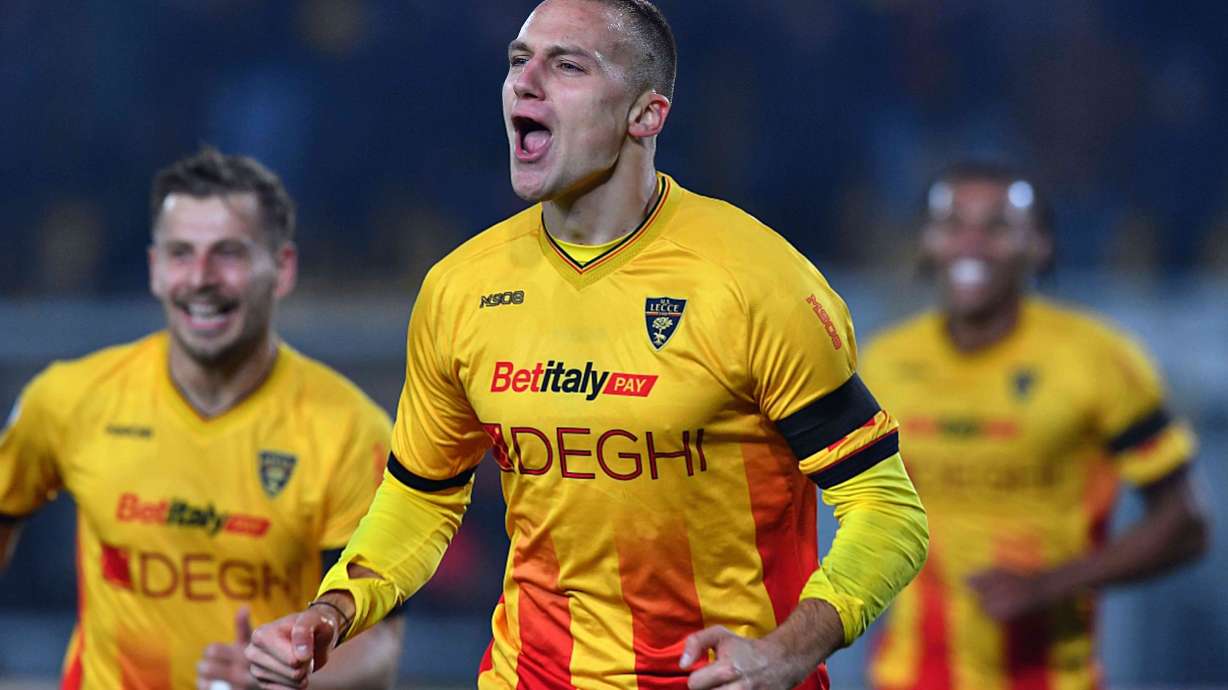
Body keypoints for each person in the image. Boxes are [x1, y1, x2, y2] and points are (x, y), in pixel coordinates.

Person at [246, 2, 928, 688]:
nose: (525, 82)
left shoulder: (758, 284)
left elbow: (887, 510)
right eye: (518, 61)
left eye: (566, 65)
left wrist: (789, 649)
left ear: (646, 115)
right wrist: (333, 610)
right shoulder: (461, 288)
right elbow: (422, 495)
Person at [0, 148, 404, 690]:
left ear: (282, 269)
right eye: (181, 253)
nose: (201, 277)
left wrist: (282, 679)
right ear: (154, 270)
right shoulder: (70, 398)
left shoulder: (350, 431)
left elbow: (378, 646)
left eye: (229, 254)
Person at [863, 161, 1209, 690]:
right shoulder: (881, 364)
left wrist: (1050, 585)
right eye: (952, 224)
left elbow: (1186, 523)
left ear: (1039, 245)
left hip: (1052, 677)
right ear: (928, 242)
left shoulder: (1097, 360)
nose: (971, 243)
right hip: (907, 677)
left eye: (997, 226)